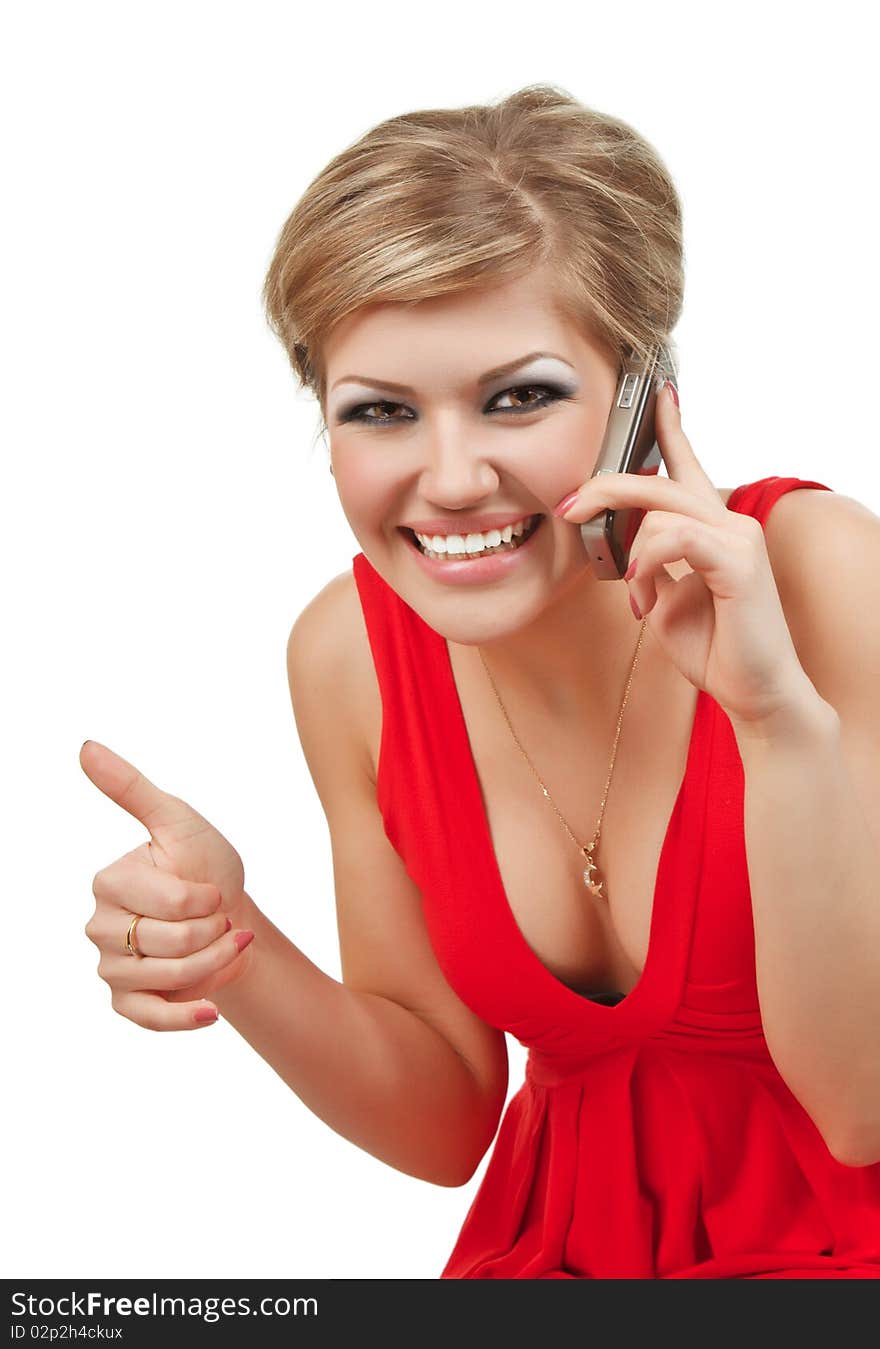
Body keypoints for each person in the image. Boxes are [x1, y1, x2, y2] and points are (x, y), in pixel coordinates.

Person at [80, 83, 880, 1278]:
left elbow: (859, 1105)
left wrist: (775, 722)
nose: (449, 479)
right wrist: (229, 941)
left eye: (520, 396)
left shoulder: (819, 572)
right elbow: (446, 1118)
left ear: (638, 396)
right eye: (382, 413)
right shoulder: (348, 653)